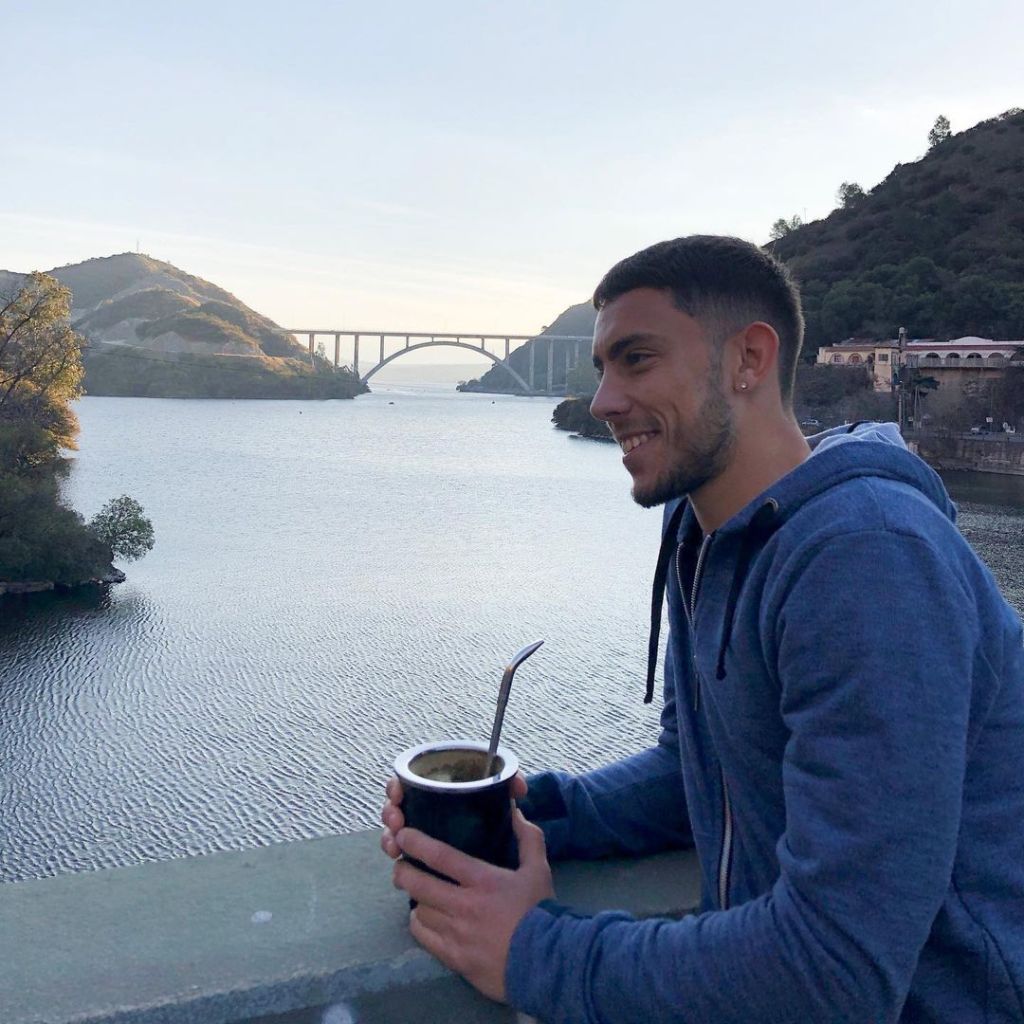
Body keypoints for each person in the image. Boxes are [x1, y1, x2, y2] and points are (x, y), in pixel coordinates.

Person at [381, 235, 1024, 1023]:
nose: (603, 401)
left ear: (748, 359)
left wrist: (532, 951)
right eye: (603, 368)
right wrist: (522, 813)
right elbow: (699, 772)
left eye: (637, 360)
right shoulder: (704, 530)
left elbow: (837, 969)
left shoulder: (867, 557)